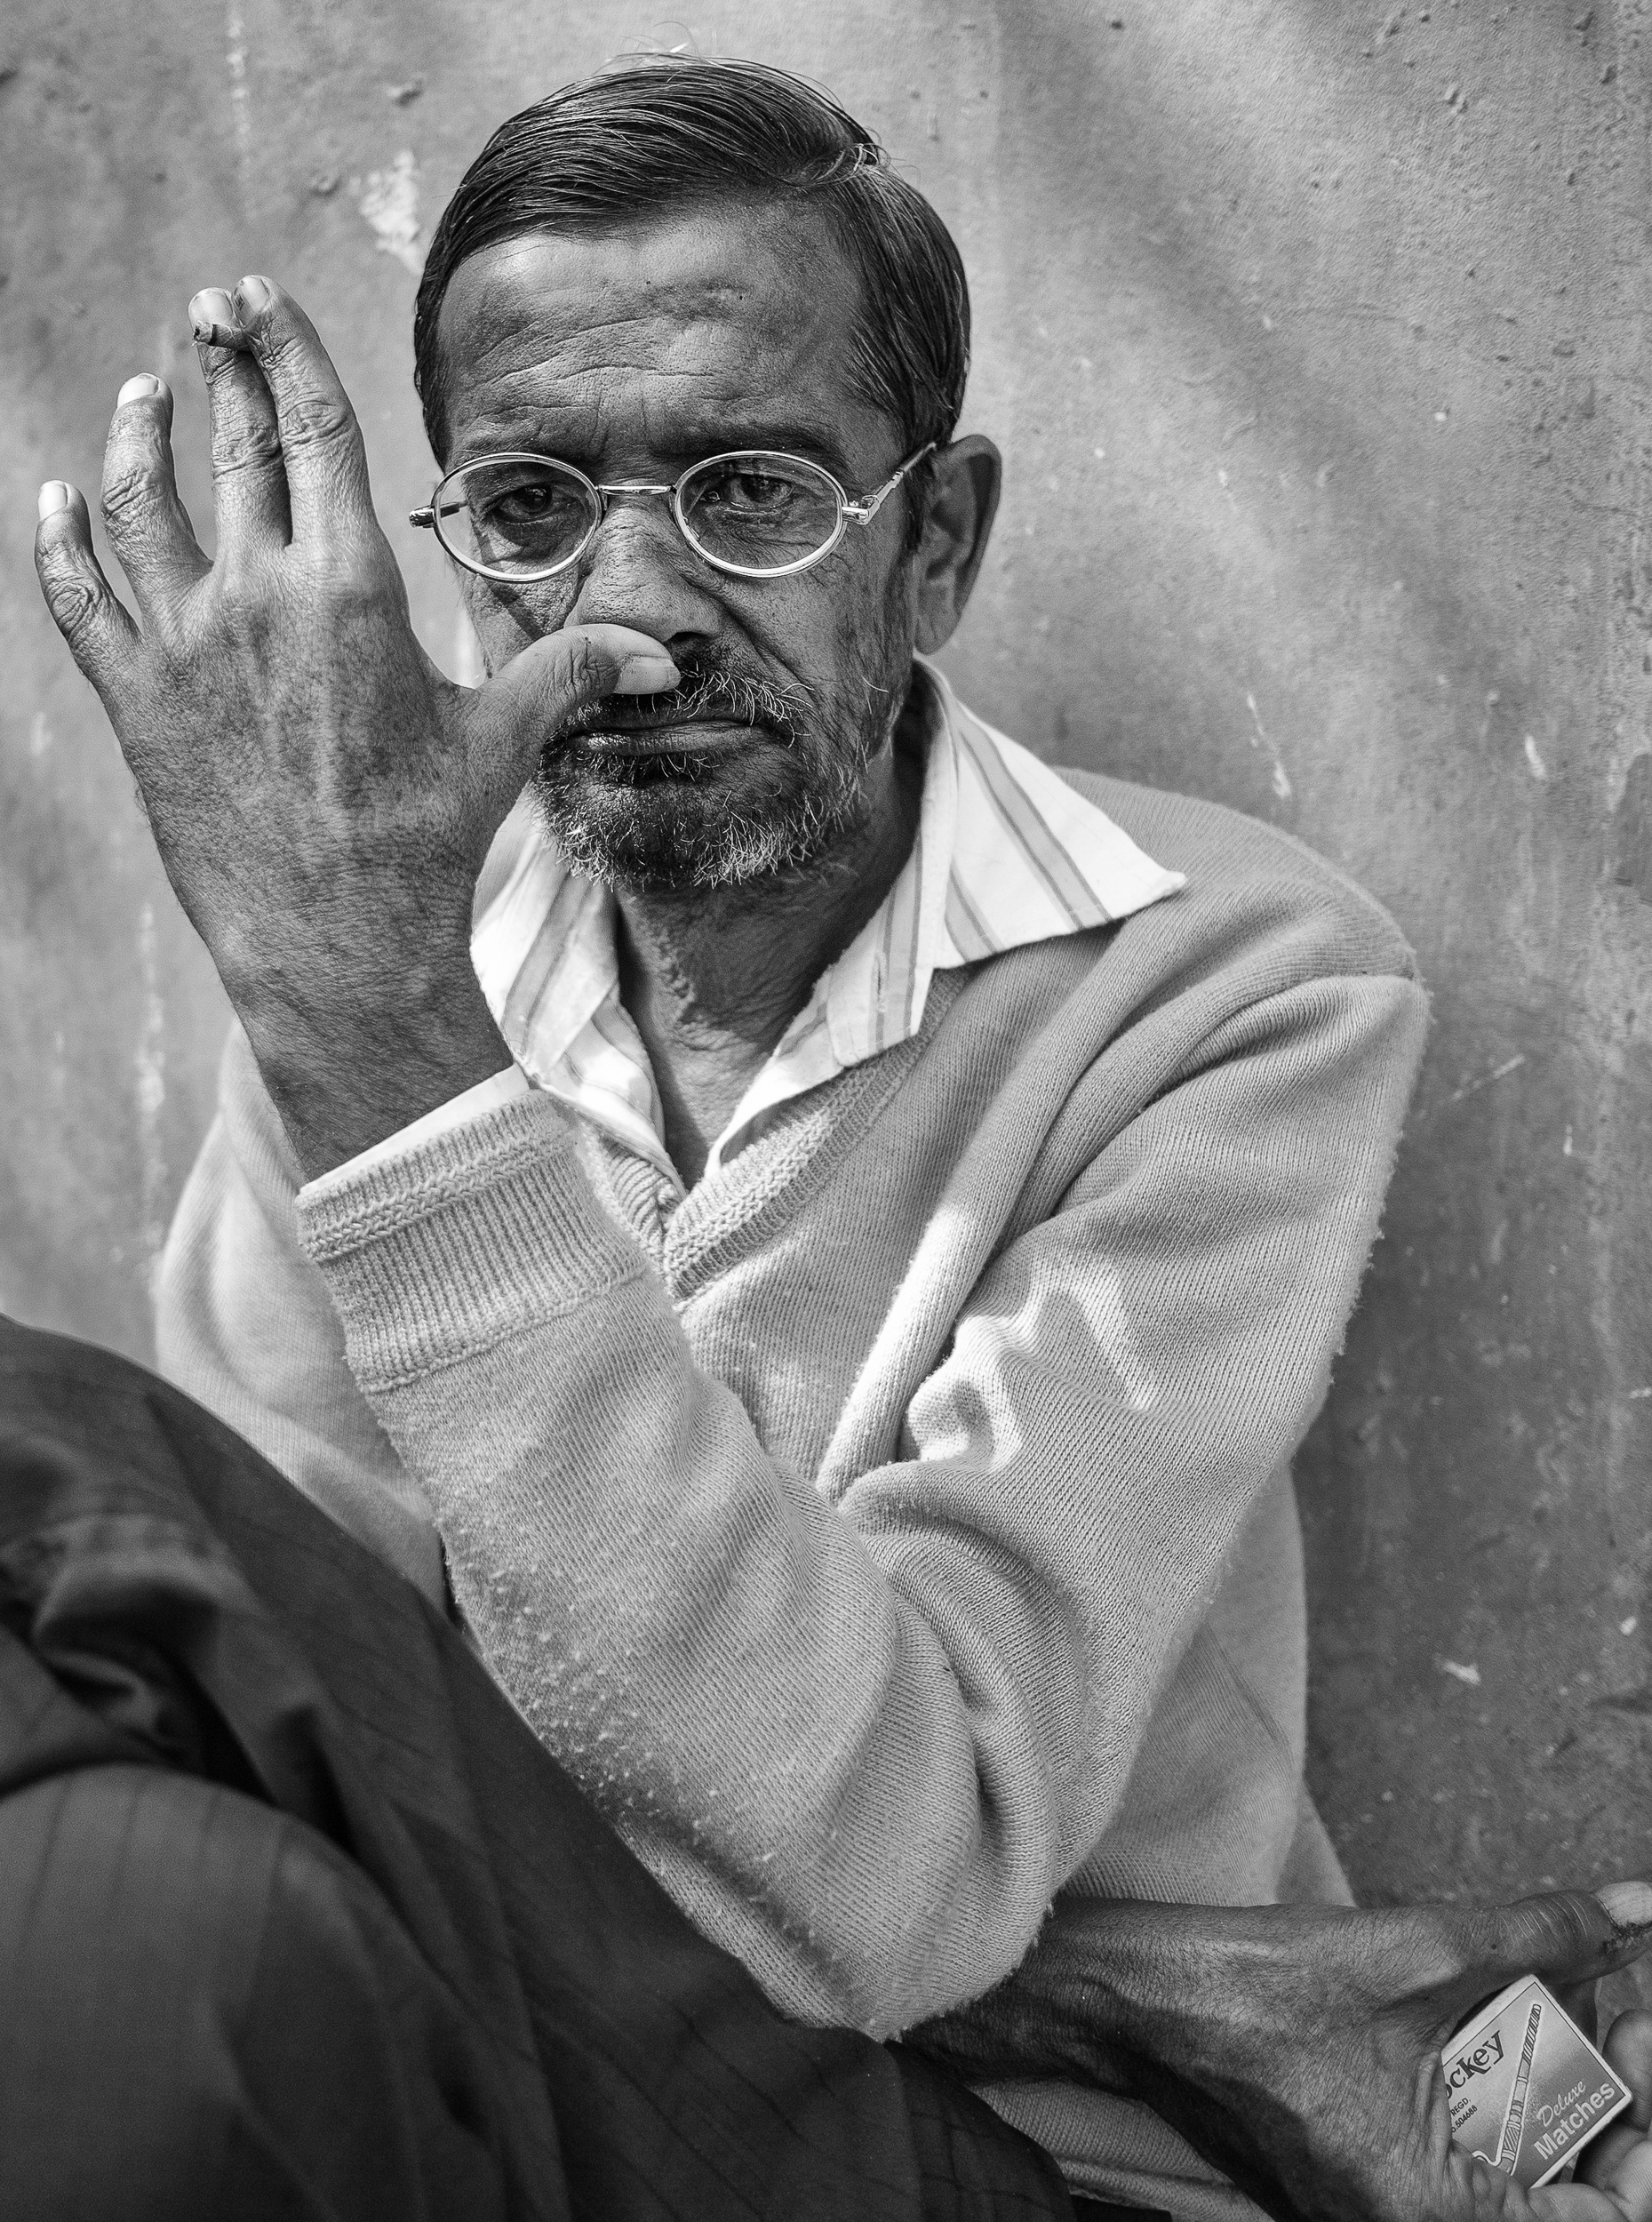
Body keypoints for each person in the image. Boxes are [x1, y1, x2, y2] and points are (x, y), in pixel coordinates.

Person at [24, 53, 1652, 2222]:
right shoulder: (396, 965)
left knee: (50, 1464)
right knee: (141, 1935)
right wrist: (1137, 1983)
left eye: (754, 495)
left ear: (939, 543)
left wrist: (390, 1060)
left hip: (1031, 2172)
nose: (632, 613)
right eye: (528, 508)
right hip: (541, 2065)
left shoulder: (1229, 992)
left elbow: (890, 1874)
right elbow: (295, 1716)